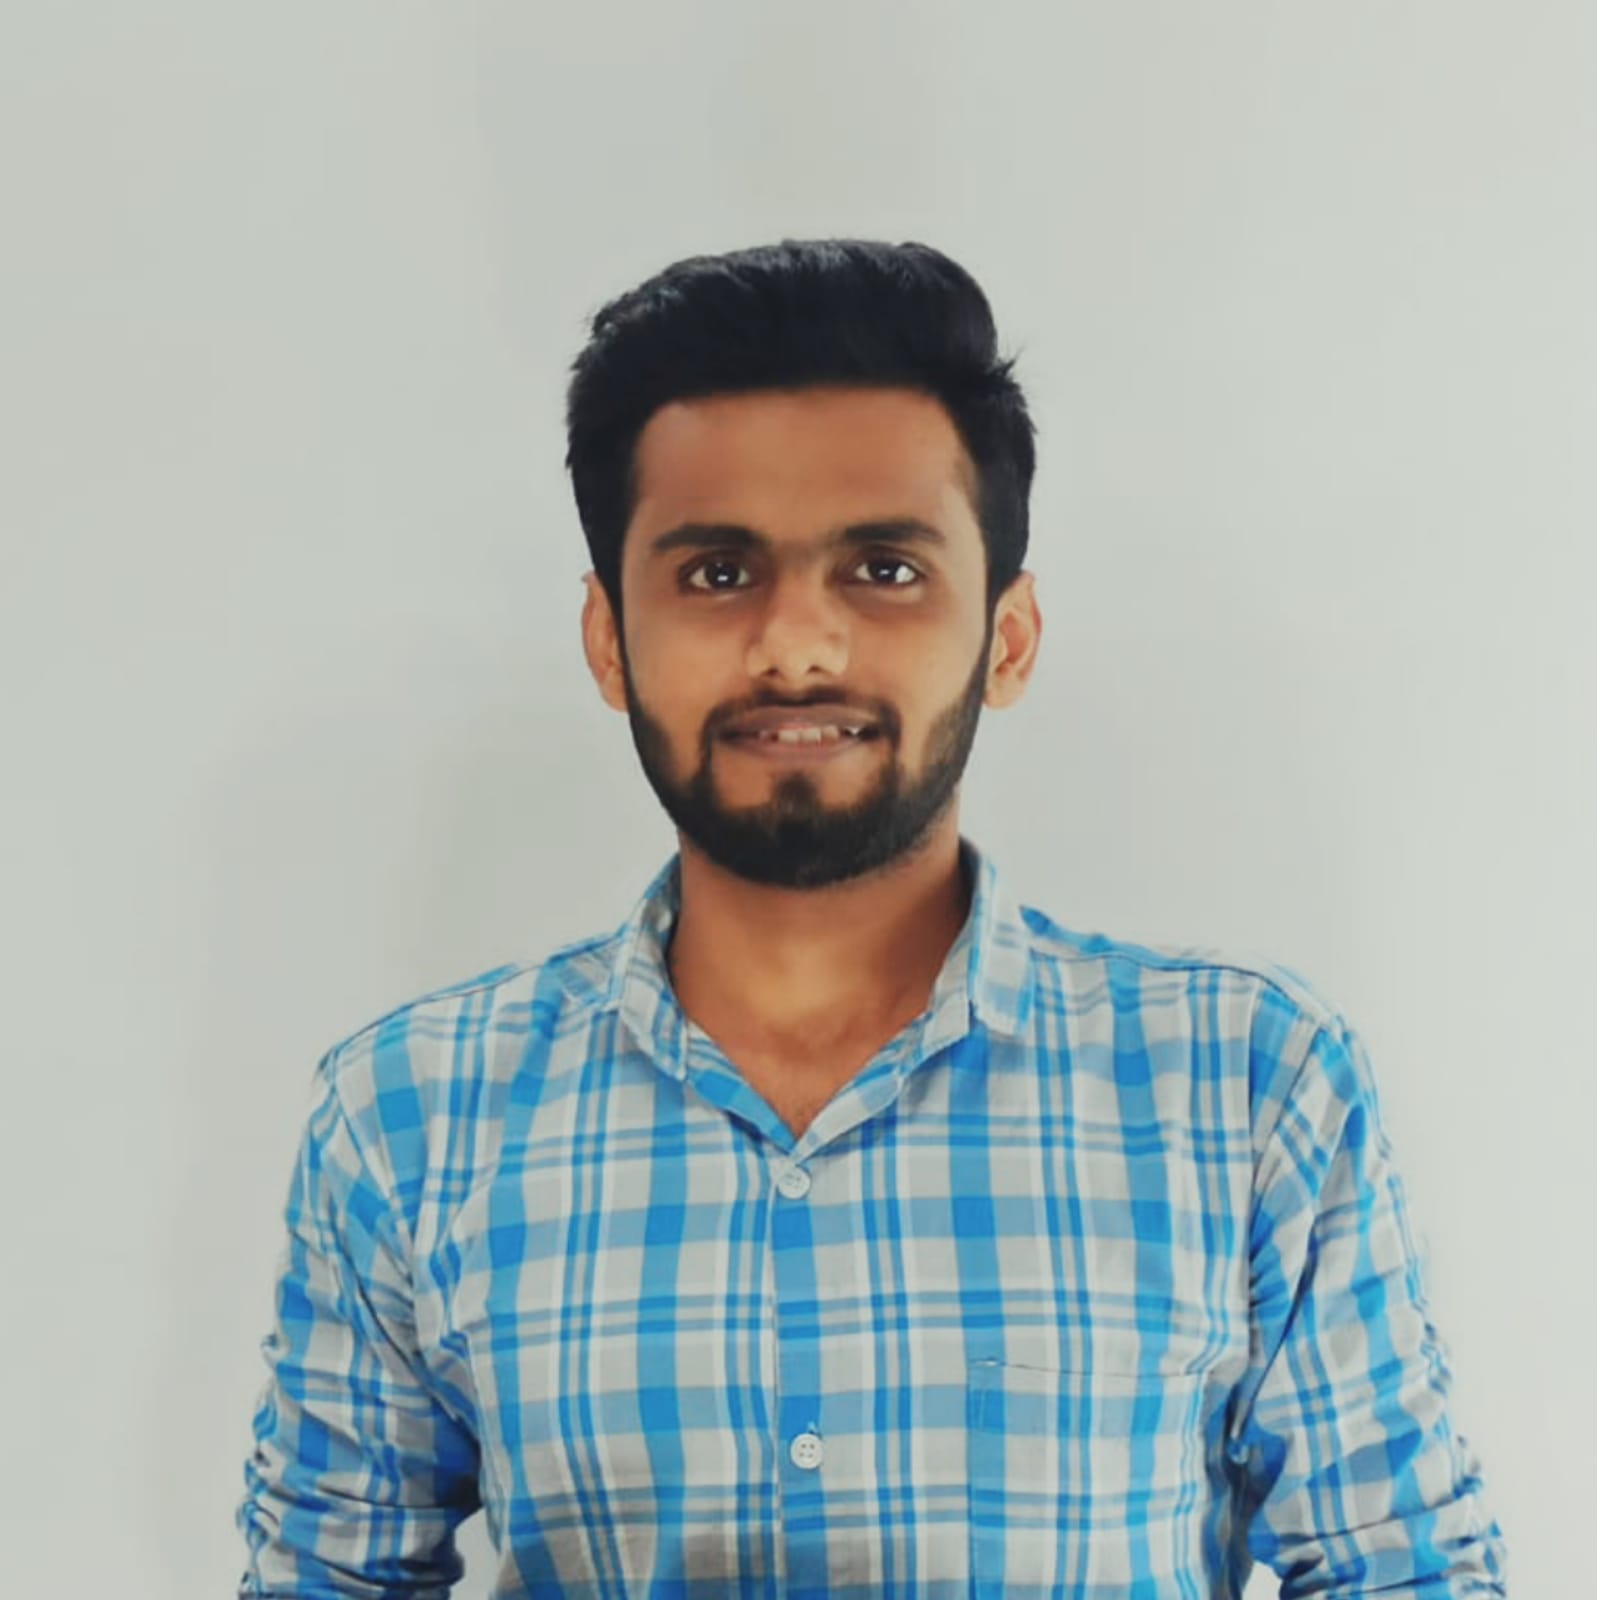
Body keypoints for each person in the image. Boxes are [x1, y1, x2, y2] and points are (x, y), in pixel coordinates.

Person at [235, 238, 1508, 1597]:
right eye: (716, 573)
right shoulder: (408, 1116)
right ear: (609, 639)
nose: (796, 644)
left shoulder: (1246, 1084)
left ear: (1005, 638)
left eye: (884, 569)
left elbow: (1403, 1573)